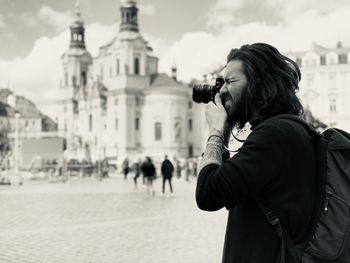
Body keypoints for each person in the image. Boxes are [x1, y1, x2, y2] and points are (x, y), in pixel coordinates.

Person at [195, 43, 316, 263]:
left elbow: (208, 193)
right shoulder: (286, 130)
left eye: (230, 81)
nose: (221, 90)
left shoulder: (275, 135)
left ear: (260, 85)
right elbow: (228, 185)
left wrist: (216, 129)